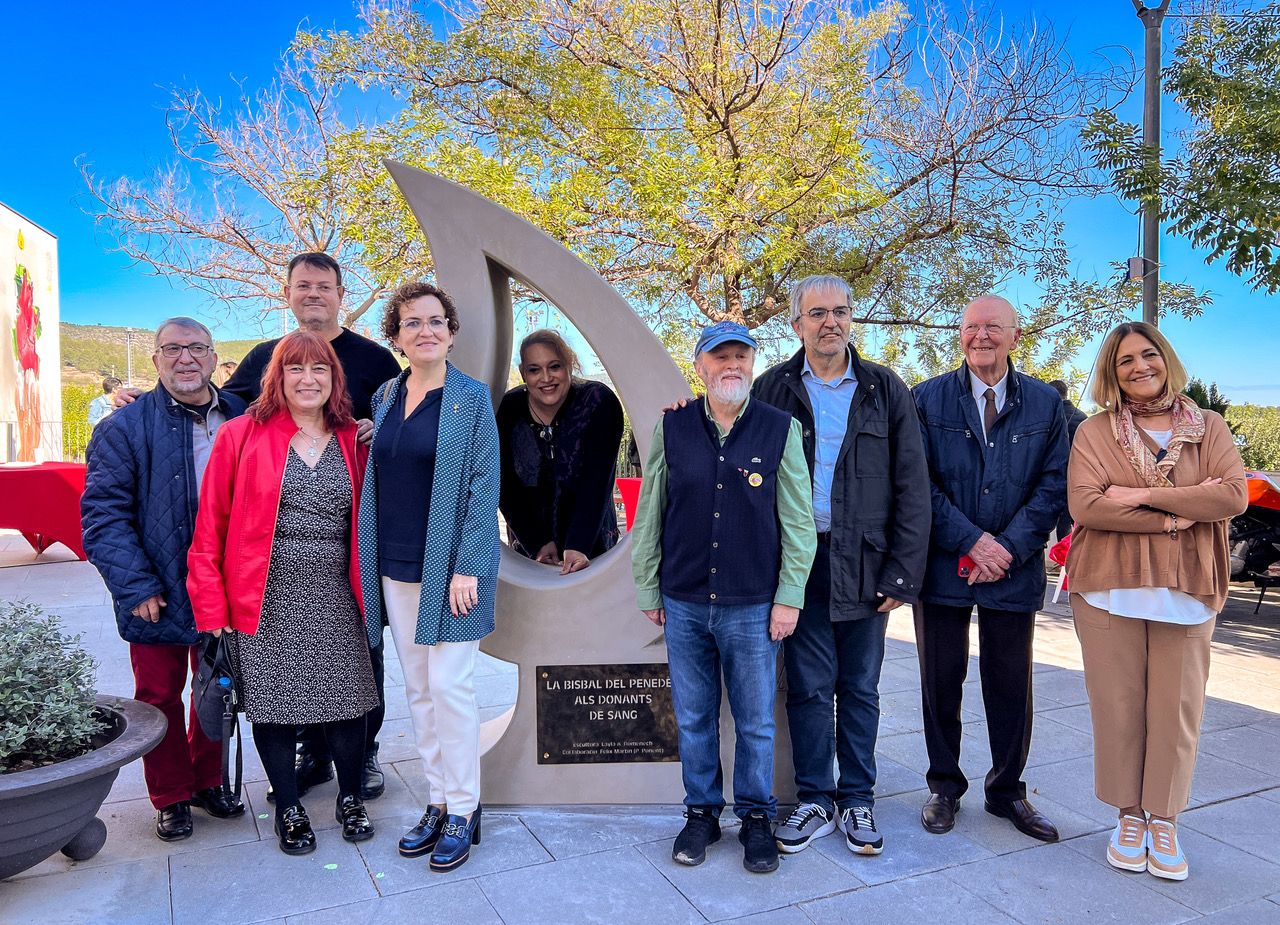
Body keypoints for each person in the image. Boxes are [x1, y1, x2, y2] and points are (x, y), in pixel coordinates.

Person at [753, 275, 931, 857]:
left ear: (851, 319)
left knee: (859, 687)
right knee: (806, 687)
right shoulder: (771, 388)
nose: (830, 321)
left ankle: (857, 796)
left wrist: (902, 572)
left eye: (841, 311)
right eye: (817, 312)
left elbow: (913, 484)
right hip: (799, 565)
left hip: (867, 563)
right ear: (796, 323)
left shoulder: (885, 389)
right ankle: (814, 799)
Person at [631, 321, 816, 875]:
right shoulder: (672, 426)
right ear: (701, 366)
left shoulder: (779, 429)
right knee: (693, 717)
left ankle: (756, 819)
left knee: (757, 720)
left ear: (753, 364)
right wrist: (647, 581)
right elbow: (651, 510)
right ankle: (703, 813)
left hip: (754, 605)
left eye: (741, 356)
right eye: (720, 357)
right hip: (684, 600)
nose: (730, 365)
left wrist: (790, 597)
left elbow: (798, 520)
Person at [1066, 322, 1246, 881]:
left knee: (1177, 710)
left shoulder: (1208, 426)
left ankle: (1163, 819)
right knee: (1118, 708)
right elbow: (1088, 505)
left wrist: (1144, 494)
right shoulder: (1095, 432)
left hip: (1188, 585)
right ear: (1111, 373)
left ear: (1165, 359)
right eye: (1125, 361)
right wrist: (1177, 515)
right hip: (1107, 586)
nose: (1140, 366)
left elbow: (1232, 494)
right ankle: (1127, 817)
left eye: (1149, 355)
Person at [188, 330, 378, 856]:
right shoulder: (241, 435)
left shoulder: (352, 438)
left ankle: (350, 796)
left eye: (320, 369)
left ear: (335, 378)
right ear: (278, 376)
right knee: (274, 707)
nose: (308, 379)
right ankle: (289, 807)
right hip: (261, 594)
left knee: (348, 703)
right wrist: (212, 605)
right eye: (295, 369)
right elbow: (210, 528)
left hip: (336, 591)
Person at [82, 319, 247, 841]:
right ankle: (171, 794)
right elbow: (103, 516)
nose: (185, 358)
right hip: (157, 585)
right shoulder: (121, 428)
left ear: (213, 356)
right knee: (158, 693)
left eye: (196, 348)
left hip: (225, 584)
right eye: (172, 349)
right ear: (154, 360)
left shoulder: (244, 417)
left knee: (218, 686)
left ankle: (207, 780)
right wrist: (135, 586)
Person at [912, 294, 1068, 843]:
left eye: (994, 327)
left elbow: (1055, 485)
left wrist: (1007, 548)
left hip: (1013, 568)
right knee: (939, 681)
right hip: (943, 567)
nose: (982, 336)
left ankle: (1006, 792)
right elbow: (916, 484)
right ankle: (944, 788)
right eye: (972, 326)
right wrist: (973, 541)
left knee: (1009, 685)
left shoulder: (1048, 405)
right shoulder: (926, 400)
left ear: (1015, 336)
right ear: (960, 333)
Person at [356, 280, 500, 872]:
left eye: (436, 321)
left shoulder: (470, 398)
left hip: (451, 569)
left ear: (452, 331)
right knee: (417, 691)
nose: (426, 331)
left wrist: (468, 565)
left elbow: (482, 483)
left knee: (451, 690)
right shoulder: (387, 394)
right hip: (393, 562)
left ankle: (465, 808)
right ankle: (438, 799)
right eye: (412, 322)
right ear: (395, 336)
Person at [496, 329, 624, 573]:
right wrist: (536, 542)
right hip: (530, 548)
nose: (546, 378)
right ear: (524, 373)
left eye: (554, 366)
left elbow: (597, 479)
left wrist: (579, 543)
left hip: (592, 543)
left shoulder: (597, 402)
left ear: (569, 365)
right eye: (534, 370)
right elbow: (505, 483)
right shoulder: (509, 410)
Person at [1050, 379, 1088, 541]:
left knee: (1063, 522)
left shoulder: (1049, 417)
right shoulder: (1083, 417)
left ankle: (1064, 561)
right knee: (1079, 521)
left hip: (1056, 477)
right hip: (1083, 477)